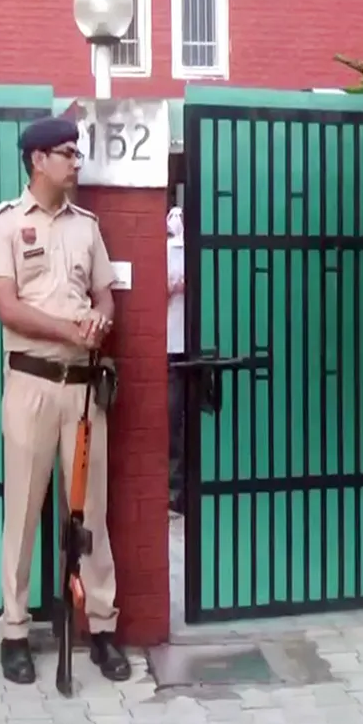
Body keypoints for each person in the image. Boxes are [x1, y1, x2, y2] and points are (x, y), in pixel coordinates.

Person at [0, 116, 131, 687]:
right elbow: (7, 308)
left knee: (90, 511)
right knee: (22, 510)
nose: (76, 162)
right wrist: (68, 331)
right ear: (37, 159)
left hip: (83, 387)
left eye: (77, 153)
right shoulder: (5, 223)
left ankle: (102, 627)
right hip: (30, 384)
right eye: (67, 154)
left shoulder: (86, 227)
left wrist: (99, 321)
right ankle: (14, 631)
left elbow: (104, 295)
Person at [166, 203, 186, 516]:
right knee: (172, 414)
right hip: (170, 344)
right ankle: (174, 481)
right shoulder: (164, 250)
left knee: (184, 417)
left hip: (189, 344)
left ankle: (183, 485)